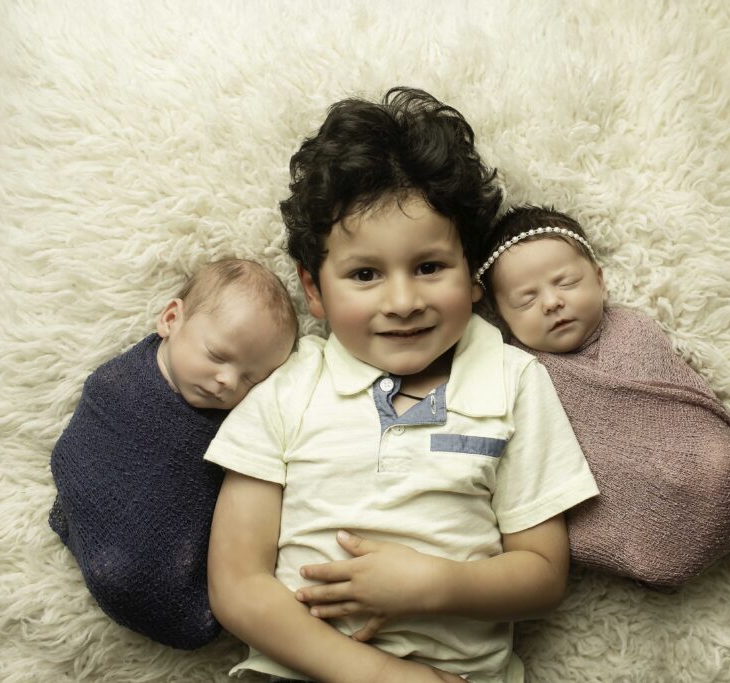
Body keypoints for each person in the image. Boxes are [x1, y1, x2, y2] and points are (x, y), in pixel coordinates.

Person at [203, 88, 599, 683]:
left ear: (472, 275)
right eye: (365, 274)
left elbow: (542, 576)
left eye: (430, 267)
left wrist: (432, 584)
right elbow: (236, 585)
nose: (404, 302)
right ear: (314, 291)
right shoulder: (288, 387)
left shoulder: (513, 381)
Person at [475, 205, 730, 587]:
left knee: (716, 461)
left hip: (710, 473)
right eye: (526, 300)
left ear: (600, 281)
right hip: (621, 510)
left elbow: (680, 410)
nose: (551, 302)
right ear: (502, 320)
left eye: (566, 282)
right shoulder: (520, 372)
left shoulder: (634, 331)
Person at [48, 258, 298, 649]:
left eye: (252, 378)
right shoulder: (116, 388)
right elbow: (75, 456)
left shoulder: (235, 428)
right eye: (217, 355)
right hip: (110, 543)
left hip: (178, 576)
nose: (228, 381)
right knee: (117, 564)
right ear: (170, 319)